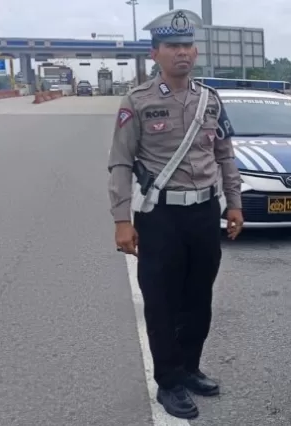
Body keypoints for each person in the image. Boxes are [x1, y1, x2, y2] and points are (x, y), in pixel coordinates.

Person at [107, 9, 243, 420]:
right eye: (172, 46)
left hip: (204, 214)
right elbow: (120, 163)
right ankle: (168, 381)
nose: (181, 53)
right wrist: (121, 219)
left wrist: (234, 203)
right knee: (162, 302)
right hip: (160, 218)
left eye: (187, 45)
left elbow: (225, 155)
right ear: (156, 53)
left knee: (198, 298)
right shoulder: (137, 102)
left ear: (195, 51)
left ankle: (189, 367)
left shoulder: (211, 100)